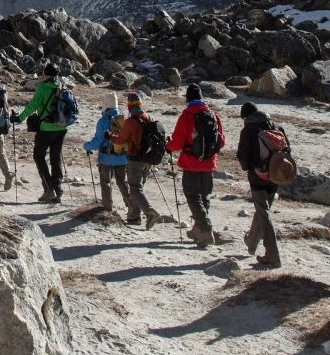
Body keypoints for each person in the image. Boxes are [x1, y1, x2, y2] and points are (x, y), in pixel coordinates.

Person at [167, 83, 224, 246]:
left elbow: (177, 143)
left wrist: (168, 147)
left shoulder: (186, 116)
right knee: (204, 197)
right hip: (209, 163)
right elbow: (222, 141)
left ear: (188, 99)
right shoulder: (213, 115)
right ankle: (197, 230)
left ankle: (206, 231)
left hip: (191, 163)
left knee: (193, 197)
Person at [235, 102, 281, 269]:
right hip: (277, 175)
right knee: (263, 210)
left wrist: (249, 167)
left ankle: (273, 255)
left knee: (263, 212)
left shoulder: (248, 130)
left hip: (258, 176)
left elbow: (242, 156)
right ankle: (251, 245)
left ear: (246, 117)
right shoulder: (276, 126)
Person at [109, 90, 164, 227]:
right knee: (138, 188)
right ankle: (134, 217)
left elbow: (121, 140)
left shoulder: (131, 121)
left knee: (134, 189)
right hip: (148, 159)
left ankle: (149, 212)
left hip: (135, 159)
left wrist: (110, 136)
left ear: (129, 106)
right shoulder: (149, 118)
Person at [19, 64, 69, 203]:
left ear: (46, 74)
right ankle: (58, 190)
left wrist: (20, 118)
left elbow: (33, 105)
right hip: (62, 128)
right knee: (55, 158)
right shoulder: (61, 86)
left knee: (39, 156)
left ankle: (48, 189)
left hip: (46, 128)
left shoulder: (42, 88)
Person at [83, 104, 130, 214]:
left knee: (105, 182)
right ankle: (132, 208)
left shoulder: (103, 121)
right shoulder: (124, 119)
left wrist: (86, 146)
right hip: (123, 157)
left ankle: (107, 208)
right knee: (122, 182)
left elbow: (98, 142)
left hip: (106, 158)